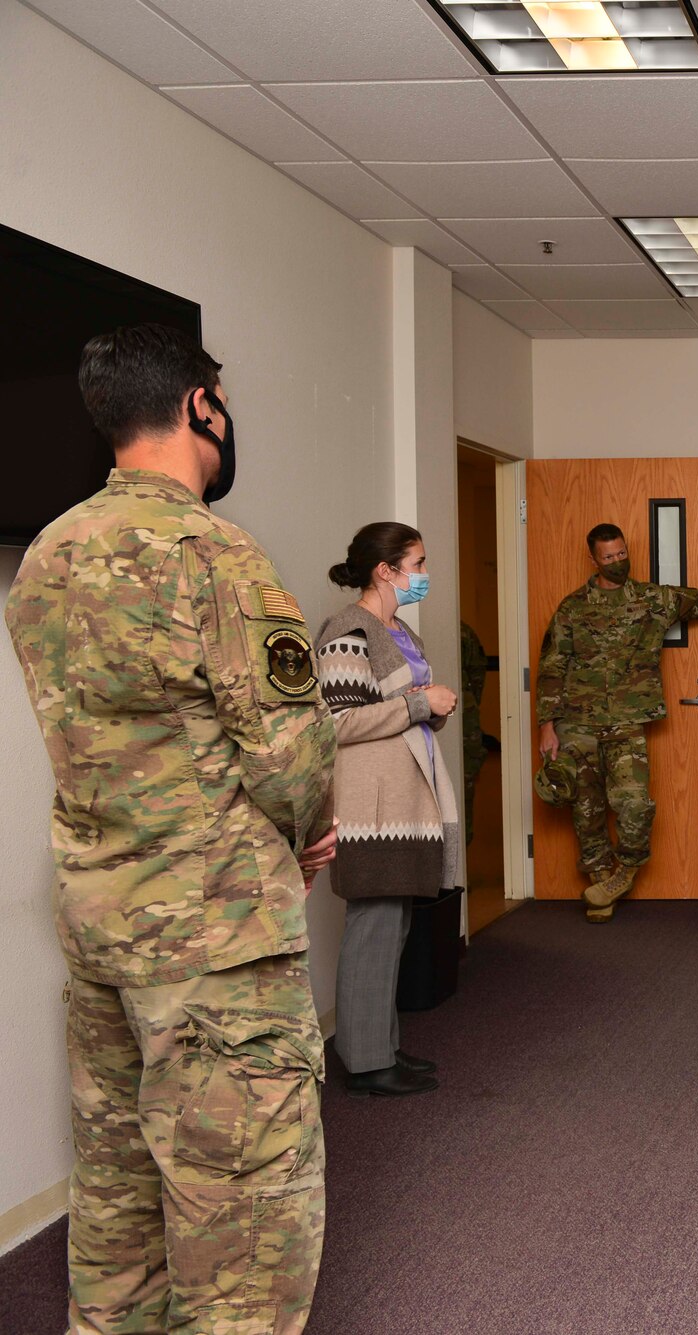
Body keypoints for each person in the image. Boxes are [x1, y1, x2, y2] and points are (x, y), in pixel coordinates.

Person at [4, 324, 338, 1333]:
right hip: (216, 945)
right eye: (220, 402)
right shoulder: (212, 553)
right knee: (239, 1225)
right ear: (202, 407)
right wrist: (310, 835)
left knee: (117, 1209)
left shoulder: (48, 556)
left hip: (103, 931)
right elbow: (289, 750)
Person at [535, 522, 698, 921]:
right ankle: (600, 882)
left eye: (622, 554)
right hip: (576, 724)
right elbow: (552, 665)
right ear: (594, 559)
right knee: (585, 811)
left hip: (626, 722)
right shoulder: (572, 608)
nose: (618, 561)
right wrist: (546, 725)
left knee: (634, 805)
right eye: (609, 557)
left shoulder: (653, 599)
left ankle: (623, 872)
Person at [317, 523, 463, 1096]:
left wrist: (431, 707)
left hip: (405, 798)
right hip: (370, 807)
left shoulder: (396, 629)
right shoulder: (347, 631)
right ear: (386, 570)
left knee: (393, 925)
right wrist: (420, 703)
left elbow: (408, 709)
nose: (424, 574)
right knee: (373, 928)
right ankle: (364, 1062)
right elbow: (338, 721)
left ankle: (381, 1047)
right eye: (418, 563)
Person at [461, 619, 489, 835]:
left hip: (466, 722)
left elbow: (478, 670)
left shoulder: (462, 632)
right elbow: (478, 673)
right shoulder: (463, 630)